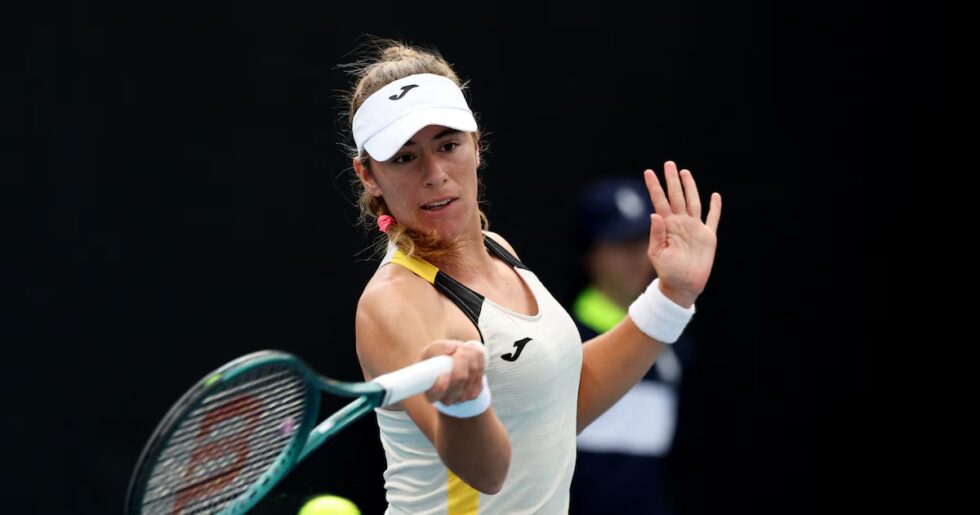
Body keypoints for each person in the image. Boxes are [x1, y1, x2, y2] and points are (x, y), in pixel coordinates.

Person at [342, 41, 722, 514]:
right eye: (404, 157)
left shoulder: (498, 249)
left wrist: (671, 296)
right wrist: (465, 405)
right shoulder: (392, 304)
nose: (434, 173)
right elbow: (486, 474)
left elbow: (560, 408)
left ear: (476, 144)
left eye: (448, 145)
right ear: (368, 175)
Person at [568, 178, 692, 515]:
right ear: (591, 252)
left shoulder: (675, 348)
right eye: (620, 242)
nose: (636, 256)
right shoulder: (560, 341)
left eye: (642, 241)